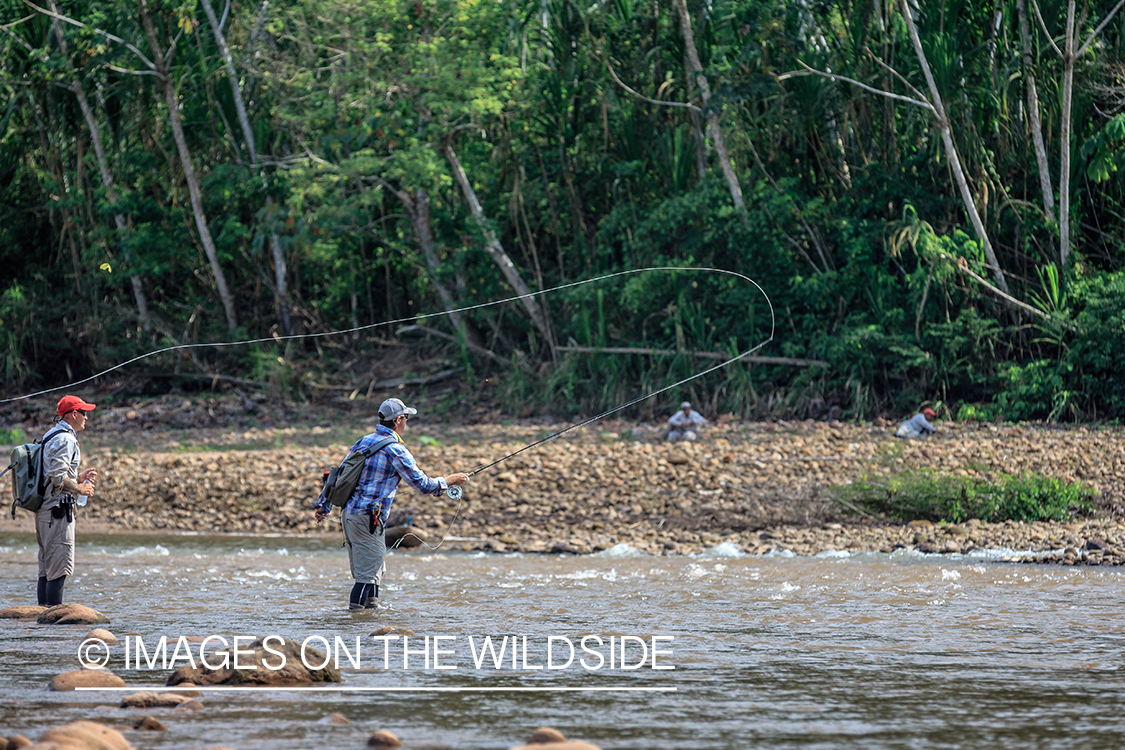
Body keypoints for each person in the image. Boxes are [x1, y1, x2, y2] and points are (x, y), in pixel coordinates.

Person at [314, 397, 468, 610]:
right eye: (406, 417)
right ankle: (355, 622)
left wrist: (324, 506)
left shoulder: (364, 440)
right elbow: (423, 485)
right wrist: (451, 479)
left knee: (373, 569)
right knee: (366, 575)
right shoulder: (396, 450)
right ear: (397, 421)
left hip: (351, 515)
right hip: (368, 519)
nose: (407, 422)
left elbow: (339, 475)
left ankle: (371, 613)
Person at [38, 395, 98, 606]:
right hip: (57, 512)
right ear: (74, 414)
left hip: (46, 511)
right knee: (58, 569)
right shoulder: (66, 438)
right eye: (84, 413)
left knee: (47, 569)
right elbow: (57, 478)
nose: (86, 418)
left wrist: (78, 478)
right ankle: (53, 626)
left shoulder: (52, 434)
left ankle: (43, 620)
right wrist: (81, 488)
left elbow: (54, 474)